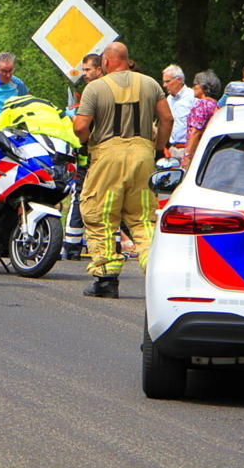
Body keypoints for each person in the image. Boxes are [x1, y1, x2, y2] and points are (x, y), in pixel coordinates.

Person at [74, 42, 173, 298]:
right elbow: (167, 119)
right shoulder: (150, 83)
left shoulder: (95, 87)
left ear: (105, 62)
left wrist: (86, 141)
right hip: (143, 156)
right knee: (142, 218)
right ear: (127, 60)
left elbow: (80, 127)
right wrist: (158, 145)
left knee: (101, 215)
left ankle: (106, 280)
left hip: (108, 157)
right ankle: (156, 275)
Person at [63, 53, 104, 260]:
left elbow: (81, 127)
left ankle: (71, 247)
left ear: (99, 69)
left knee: (79, 198)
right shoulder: (111, 89)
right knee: (106, 200)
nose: (84, 74)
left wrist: (77, 126)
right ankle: (109, 246)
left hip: (88, 154)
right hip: (106, 155)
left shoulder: (93, 90)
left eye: (88, 69)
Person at [0, 94, 81, 163]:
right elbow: (71, 130)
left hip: (35, 134)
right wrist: (82, 160)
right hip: (60, 140)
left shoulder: (12, 105)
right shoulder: (51, 107)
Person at [182, 70, 221, 169]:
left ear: (204, 86)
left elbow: (196, 131)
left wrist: (187, 156)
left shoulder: (202, 104)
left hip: (196, 155)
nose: (193, 87)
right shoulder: (215, 105)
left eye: (195, 84)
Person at [161, 65, 196, 161]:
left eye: (167, 81)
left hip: (188, 149)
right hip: (172, 149)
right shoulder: (169, 99)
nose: (164, 85)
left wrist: (189, 152)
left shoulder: (192, 97)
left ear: (179, 80)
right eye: (163, 82)